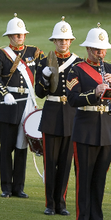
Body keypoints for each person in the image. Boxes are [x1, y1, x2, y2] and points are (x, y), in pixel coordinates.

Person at [0, 13, 45, 198]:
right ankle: (6, 187)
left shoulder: (34, 52)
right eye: (15, 34)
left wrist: (48, 72)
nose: (19, 37)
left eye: (21, 34)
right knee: (7, 147)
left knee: (22, 146)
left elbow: (46, 68)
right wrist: (4, 95)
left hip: (27, 103)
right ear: (9, 36)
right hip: (9, 104)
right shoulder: (1, 54)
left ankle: (18, 187)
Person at [35, 17, 81, 216]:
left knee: (65, 162)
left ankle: (61, 202)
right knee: (50, 162)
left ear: (71, 41)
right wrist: (44, 76)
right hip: (52, 115)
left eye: (66, 39)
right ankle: (50, 203)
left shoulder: (79, 63)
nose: (63, 42)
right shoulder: (45, 62)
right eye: (59, 40)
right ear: (54, 41)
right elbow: (40, 92)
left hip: (71, 117)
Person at [66, 23, 111, 220]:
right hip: (85, 130)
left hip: (107, 131)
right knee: (84, 180)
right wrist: (95, 92)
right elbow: (73, 99)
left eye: (102, 50)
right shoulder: (76, 70)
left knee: (100, 180)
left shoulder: (110, 69)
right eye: (96, 50)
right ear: (87, 49)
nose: (100, 54)